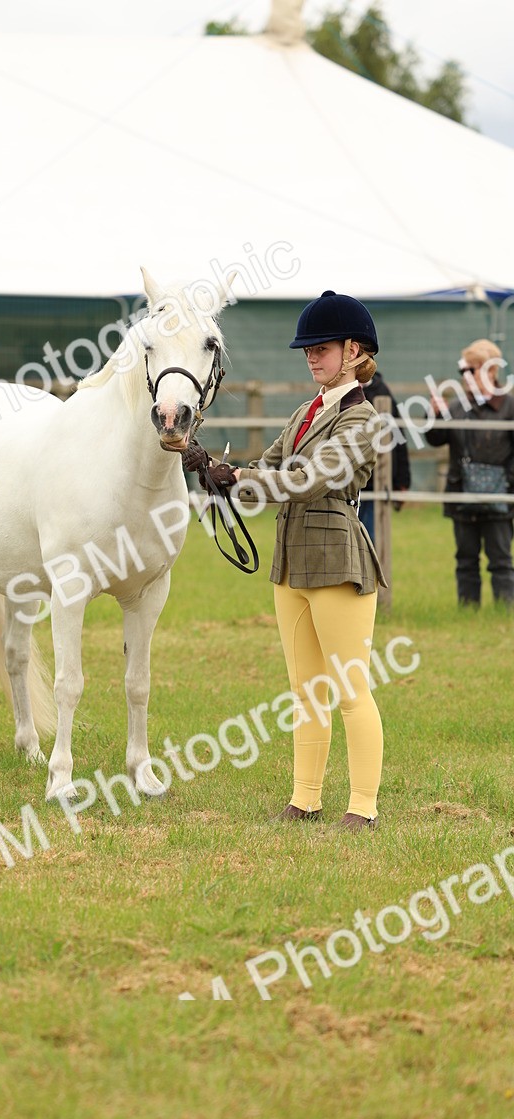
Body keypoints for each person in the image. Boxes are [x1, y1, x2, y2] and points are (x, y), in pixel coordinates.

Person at [197, 291, 387, 831]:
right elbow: (269, 470)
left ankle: (363, 807)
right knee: (305, 691)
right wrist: (216, 470)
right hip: (291, 564)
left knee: (351, 690)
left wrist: (245, 478)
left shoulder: (362, 419)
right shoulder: (307, 412)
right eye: (307, 348)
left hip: (336, 561)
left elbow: (310, 480)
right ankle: (305, 798)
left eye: (321, 348)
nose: (310, 356)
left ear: (354, 350)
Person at [425, 339, 514, 606]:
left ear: (490, 371)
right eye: (463, 371)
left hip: (500, 496)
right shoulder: (457, 406)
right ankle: (468, 608)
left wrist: (507, 483)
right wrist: (436, 415)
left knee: (500, 559)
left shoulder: (510, 407)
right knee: (465, 558)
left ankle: (506, 611)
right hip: (461, 493)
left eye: (471, 370)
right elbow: (436, 439)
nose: (465, 377)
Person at [359, 371, 411, 542]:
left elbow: (398, 437)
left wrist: (402, 481)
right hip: (343, 483)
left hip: (377, 482)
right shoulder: (332, 392)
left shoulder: (381, 392)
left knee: (371, 539)